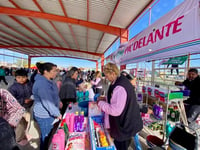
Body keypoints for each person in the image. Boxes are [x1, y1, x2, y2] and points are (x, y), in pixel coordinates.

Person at [97, 63, 143, 150]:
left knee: (121, 145)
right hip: (127, 122)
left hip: (125, 126)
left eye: (107, 75)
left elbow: (115, 110)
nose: (106, 78)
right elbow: (116, 98)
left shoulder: (120, 87)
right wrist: (106, 98)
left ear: (113, 73)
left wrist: (100, 103)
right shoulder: (118, 81)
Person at [32, 62, 62, 150]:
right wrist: (57, 113)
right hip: (45, 115)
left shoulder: (49, 81)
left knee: (49, 136)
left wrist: (59, 102)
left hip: (50, 113)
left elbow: (55, 95)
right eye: (54, 71)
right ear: (45, 71)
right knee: (46, 137)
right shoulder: (42, 84)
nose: (56, 72)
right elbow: (47, 101)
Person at [8, 69, 33, 145]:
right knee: (20, 124)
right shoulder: (13, 88)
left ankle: (23, 135)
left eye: (23, 77)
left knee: (26, 122)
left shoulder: (30, 84)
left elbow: (33, 93)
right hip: (17, 109)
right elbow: (9, 100)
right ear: (15, 77)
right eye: (19, 77)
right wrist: (23, 100)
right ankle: (18, 139)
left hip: (27, 107)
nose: (21, 79)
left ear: (27, 77)